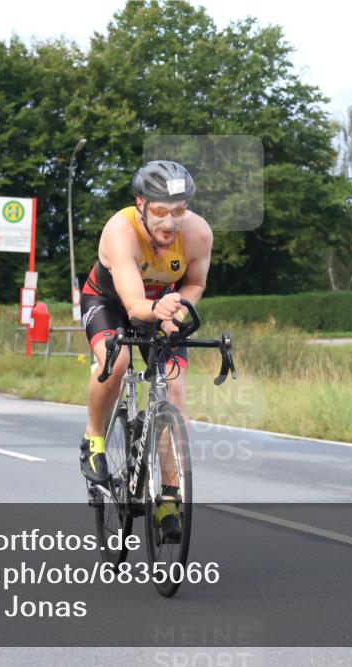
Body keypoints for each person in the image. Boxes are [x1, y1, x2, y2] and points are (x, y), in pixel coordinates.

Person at [79, 160, 213, 541]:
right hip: (111, 302)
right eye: (160, 212)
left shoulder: (199, 234)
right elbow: (135, 304)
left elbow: (195, 282)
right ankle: (93, 438)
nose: (170, 223)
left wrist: (178, 309)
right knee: (116, 360)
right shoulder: (120, 231)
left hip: (161, 304)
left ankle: (169, 497)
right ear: (140, 204)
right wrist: (156, 311)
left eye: (179, 211)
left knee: (174, 387)